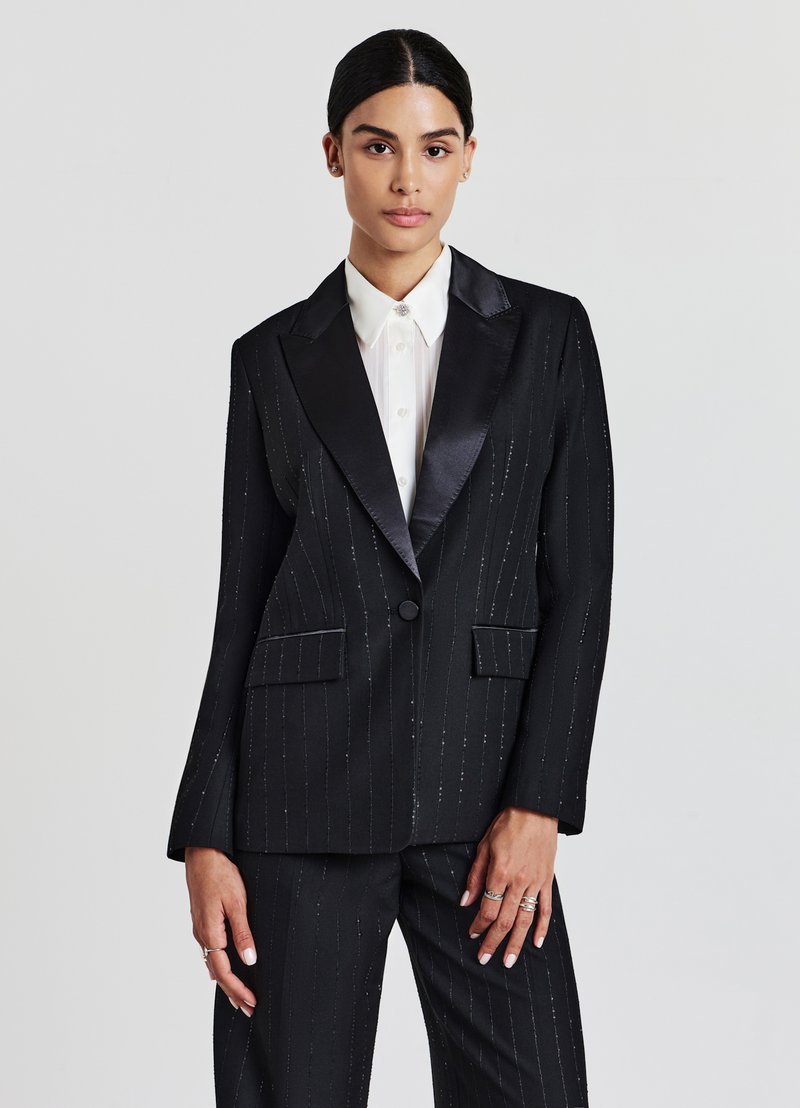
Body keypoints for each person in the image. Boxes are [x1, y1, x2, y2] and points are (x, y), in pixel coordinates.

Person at [167, 27, 614, 1108]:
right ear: (332, 154)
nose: (407, 178)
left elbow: (580, 586)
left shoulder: (548, 338)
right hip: (298, 804)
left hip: (483, 797)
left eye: (434, 147)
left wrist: (540, 802)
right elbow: (243, 601)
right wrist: (207, 832)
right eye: (377, 145)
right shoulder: (270, 359)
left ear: (468, 157)